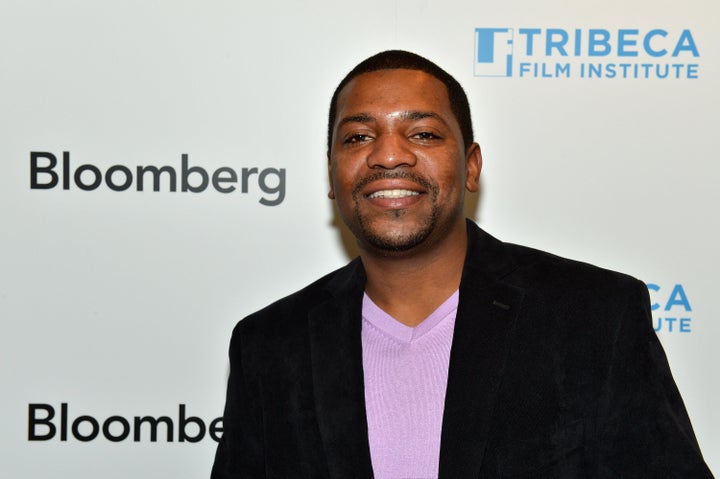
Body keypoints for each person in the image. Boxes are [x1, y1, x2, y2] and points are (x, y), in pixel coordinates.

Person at [211, 50, 713, 478]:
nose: (389, 156)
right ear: (332, 175)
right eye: (359, 137)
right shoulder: (270, 345)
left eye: (424, 134)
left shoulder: (594, 316)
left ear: (471, 166)